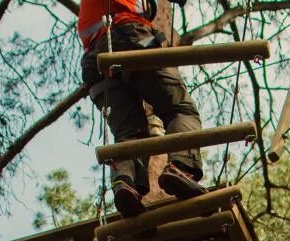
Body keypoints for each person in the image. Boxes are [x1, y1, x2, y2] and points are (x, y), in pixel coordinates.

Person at [78, 0, 207, 217]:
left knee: (129, 135)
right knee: (180, 109)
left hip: (94, 62)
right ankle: (182, 166)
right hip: (130, 37)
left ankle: (125, 184)